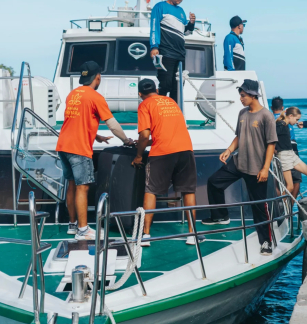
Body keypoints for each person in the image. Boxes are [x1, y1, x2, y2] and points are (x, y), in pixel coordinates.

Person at [56, 61, 134, 242]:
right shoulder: (95, 97)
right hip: (78, 149)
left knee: (72, 185)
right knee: (83, 187)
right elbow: (113, 125)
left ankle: (72, 224)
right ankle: (83, 231)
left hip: (63, 146)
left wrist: (96, 136)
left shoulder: (73, 94)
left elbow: (77, 121)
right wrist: (126, 140)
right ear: (98, 77)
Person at [203, 79, 278, 256]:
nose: (241, 99)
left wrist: (265, 168)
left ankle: (266, 242)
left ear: (253, 95)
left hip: (256, 169)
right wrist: (229, 150)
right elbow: (239, 136)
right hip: (238, 163)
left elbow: (271, 144)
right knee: (214, 182)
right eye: (240, 95)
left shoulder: (266, 116)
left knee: (259, 207)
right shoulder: (242, 113)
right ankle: (220, 216)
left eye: (243, 96)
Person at [131, 79, 199, 246]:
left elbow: (145, 135)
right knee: (188, 191)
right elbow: (166, 132)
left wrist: (138, 155)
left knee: (151, 190)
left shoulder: (144, 105)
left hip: (162, 153)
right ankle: (192, 234)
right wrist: (143, 142)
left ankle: (146, 235)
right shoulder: (171, 101)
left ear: (140, 94)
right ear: (157, 89)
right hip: (185, 149)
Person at [150, 0, 196, 101]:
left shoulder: (181, 11)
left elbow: (184, 32)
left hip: (180, 55)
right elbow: (154, 27)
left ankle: (173, 115)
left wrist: (191, 24)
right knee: (165, 85)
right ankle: (159, 113)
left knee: (178, 88)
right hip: (166, 53)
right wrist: (154, 46)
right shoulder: (160, 7)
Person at [275, 106, 307, 198]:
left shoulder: (286, 125)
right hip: (283, 156)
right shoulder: (280, 125)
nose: (296, 122)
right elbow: (270, 139)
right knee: (290, 187)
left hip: (291, 153)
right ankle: (280, 207)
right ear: (290, 116)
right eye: (296, 119)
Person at [272, 96, 303, 196]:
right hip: (290, 149)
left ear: (272, 108)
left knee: (278, 181)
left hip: (277, 150)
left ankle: (279, 205)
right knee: (296, 180)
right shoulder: (286, 120)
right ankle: (289, 206)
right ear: (283, 108)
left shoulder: (272, 119)